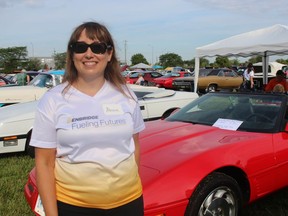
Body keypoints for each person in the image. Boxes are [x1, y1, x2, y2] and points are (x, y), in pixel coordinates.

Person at [30, 22, 145, 216]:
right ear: (72, 54)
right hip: (74, 206)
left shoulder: (127, 95)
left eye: (98, 47)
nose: (89, 54)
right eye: (81, 47)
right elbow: (44, 164)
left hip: (129, 203)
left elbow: (134, 146)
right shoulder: (53, 100)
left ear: (109, 55)